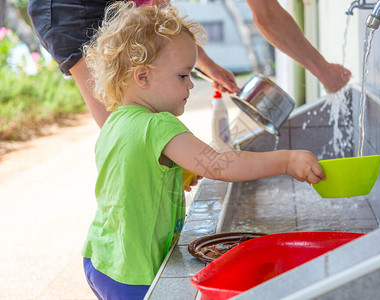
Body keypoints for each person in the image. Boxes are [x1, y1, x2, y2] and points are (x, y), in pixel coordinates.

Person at [80, 2, 326, 298]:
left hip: (101, 258)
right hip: (133, 273)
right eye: (183, 76)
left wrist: (175, 170)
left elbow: (128, 176)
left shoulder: (116, 121)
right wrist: (287, 161)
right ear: (142, 77)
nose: (190, 87)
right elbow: (220, 166)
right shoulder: (159, 125)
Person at [27, 0, 350, 129]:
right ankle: (125, 255)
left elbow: (161, 20)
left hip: (118, 5)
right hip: (72, 7)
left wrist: (207, 66)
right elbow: (266, 15)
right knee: (125, 128)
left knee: (149, 123)